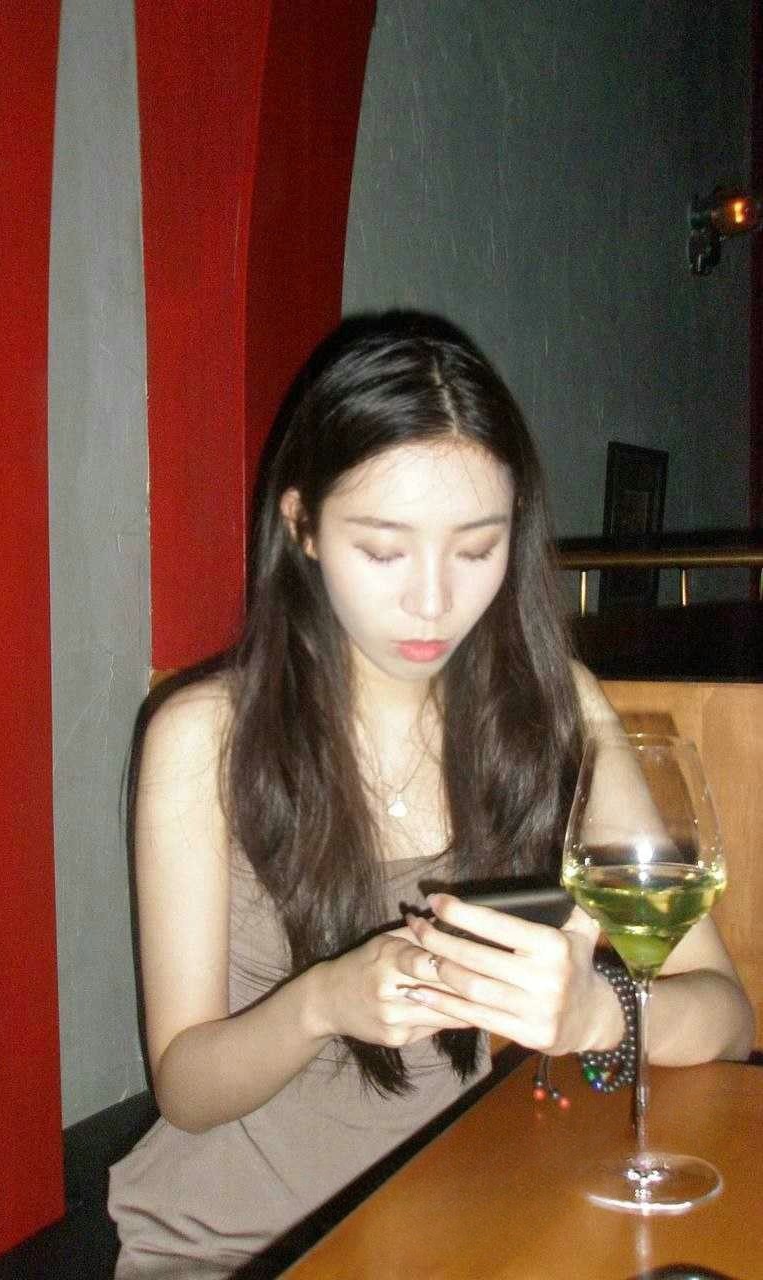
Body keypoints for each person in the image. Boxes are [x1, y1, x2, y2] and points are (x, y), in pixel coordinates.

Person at [109, 314, 753, 1278]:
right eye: (383, 551)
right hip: (242, 1251)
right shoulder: (204, 737)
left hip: (472, 1216)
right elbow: (186, 1090)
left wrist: (594, 1015)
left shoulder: (559, 711)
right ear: (302, 527)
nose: (431, 601)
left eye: (475, 548)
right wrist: (323, 1002)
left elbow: (727, 1016)